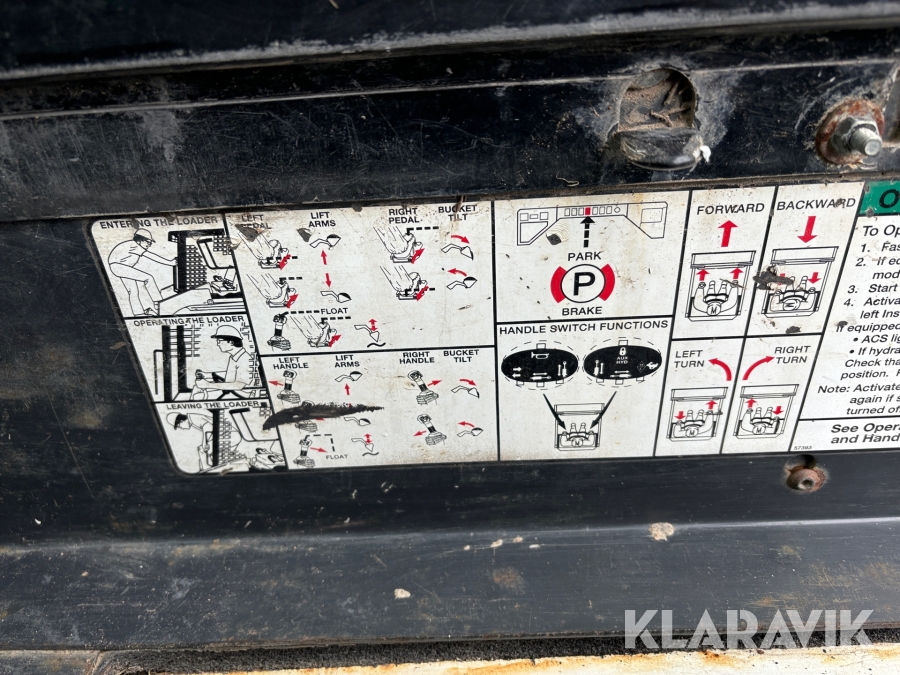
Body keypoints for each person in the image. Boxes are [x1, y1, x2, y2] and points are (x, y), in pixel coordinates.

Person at [108, 228, 176, 316]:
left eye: (150, 243)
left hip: (120, 267)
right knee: (148, 278)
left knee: (133, 291)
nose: (149, 245)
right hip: (119, 267)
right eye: (148, 242)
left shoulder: (133, 245)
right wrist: (170, 262)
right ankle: (158, 303)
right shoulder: (134, 245)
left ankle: (138, 313)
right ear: (140, 240)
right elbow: (151, 255)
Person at [192, 325, 254, 399]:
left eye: (219, 341)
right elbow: (231, 375)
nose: (218, 344)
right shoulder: (234, 357)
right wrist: (208, 375)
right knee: (196, 390)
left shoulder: (245, 359)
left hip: (244, 395)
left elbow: (239, 385)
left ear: (231, 342)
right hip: (233, 391)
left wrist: (207, 385)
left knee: (198, 396)